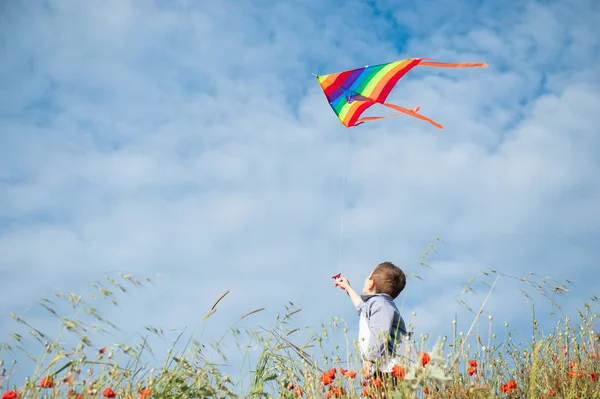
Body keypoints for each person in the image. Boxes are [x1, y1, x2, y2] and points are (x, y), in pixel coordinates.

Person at [334, 261, 413, 381]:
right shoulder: (379, 304)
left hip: (391, 370)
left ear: (370, 283)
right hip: (385, 369)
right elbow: (362, 307)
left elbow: (380, 332)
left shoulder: (380, 304)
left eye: (368, 276)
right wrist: (348, 288)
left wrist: (370, 359)